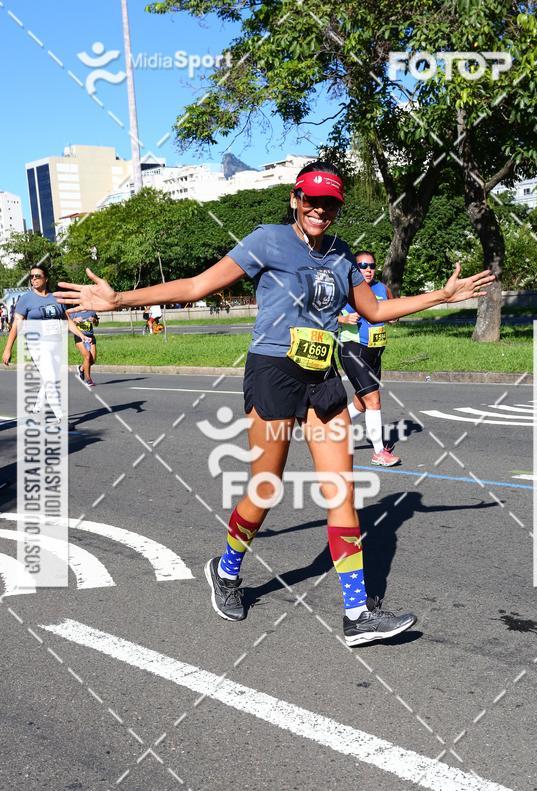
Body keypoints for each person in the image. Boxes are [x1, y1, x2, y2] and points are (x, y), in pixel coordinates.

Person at [55, 161, 494, 647]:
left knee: (342, 492)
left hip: (323, 374)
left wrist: (442, 295)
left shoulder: (343, 255)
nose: (320, 210)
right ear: (295, 198)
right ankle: (226, 571)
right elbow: (199, 286)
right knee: (265, 487)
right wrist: (119, 301)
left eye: (330, 203)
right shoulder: (267, 239)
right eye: (312, 200)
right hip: (273, 371)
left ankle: (356, 613)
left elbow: (373, 310)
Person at [2, 265, 86, 424]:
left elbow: (66, 320)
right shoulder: (26, 299)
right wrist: (8, 349)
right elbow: (16, 324)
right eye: (31, 276)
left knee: (49, 377)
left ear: (46, 279)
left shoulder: (56, 297)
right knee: (51, 379)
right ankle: (61, 416)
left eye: (37, 276)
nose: (34, 279)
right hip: (37, 344)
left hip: (55, 343)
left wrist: (81, 335)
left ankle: (36, 408)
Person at [338, 250, 398, 466]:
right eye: (362, 266)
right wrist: (343, 318)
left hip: (375, 351)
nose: (368, 270)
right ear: (355, 267)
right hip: (353, 349)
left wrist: (393, 317)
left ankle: (330, 429)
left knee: (361, 403)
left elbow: (393, 309)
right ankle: (379, 452)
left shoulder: (382, 288)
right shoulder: (345, 287)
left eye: (371, 266)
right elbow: (321, 315)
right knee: (373, 400)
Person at [69, 308, 99, 386]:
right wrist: (75, 320)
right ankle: (88, 379)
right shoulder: (74, 312)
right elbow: (68, 323)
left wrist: (94, 320)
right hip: (79, 337)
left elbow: (96, 323)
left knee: (92, 361)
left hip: (90, 337)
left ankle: (81, 368)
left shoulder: (91, 311)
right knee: (87, 357)